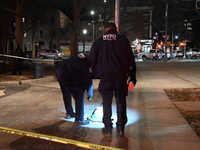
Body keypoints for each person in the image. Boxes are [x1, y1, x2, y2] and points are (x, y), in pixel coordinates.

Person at [89, 22, 137, 136]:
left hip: (105, 76)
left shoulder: (98, 42)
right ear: (116, 29)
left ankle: (108, 127)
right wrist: (132, 79)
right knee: (121, 101)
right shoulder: (123, 40)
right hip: (120, 76)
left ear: (105, 29)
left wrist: (95, 74)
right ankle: (120, 127)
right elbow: (131, 60)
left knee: (106, 102)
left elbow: (91, 60)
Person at [56, 53, 93, 126]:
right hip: (67, 75)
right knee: (79, 96)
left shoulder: (83, 59)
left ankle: (69, 113)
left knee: (66, 93)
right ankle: (79, 120)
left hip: (60, 72)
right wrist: (89, 90)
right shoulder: (87, 64)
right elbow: (86, 78)